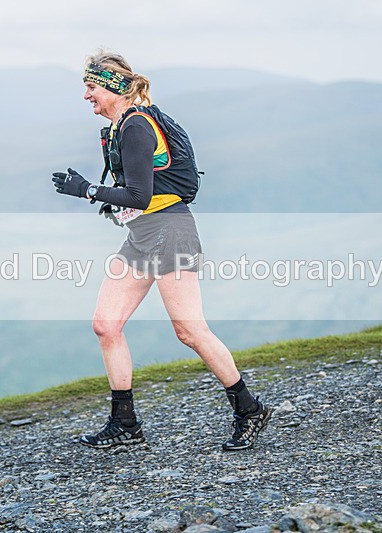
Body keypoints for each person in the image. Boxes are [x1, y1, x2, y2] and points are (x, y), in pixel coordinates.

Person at [51, 50, 272, 451]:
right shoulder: (123, 124)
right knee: (106, 325)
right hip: (142, 235)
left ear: (113, 87)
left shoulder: (136, 125)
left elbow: (140, 191)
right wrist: (111, 202)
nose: (86, 95)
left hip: (169, 232)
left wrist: (86, 189)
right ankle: (125, 424)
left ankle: (249, 409)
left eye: (92, 86)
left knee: (190, 330)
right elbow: (140, 191)